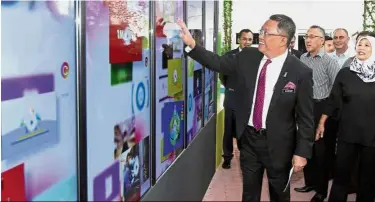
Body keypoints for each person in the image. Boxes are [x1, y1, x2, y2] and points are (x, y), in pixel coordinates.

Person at [178, 14, 314, 201]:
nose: (261, 36)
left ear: (283, 40)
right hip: (249, 139)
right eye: (261, 31)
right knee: (249, 193)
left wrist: (302, 152)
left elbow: (306, 117)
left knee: (279, 194)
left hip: (279, 145)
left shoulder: (300, 72)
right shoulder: (248, 56)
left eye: (266, 32)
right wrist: (192, 45)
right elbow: (218, 62)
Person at [316, 35, 375, 202]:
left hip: (372, 135)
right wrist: (322, 122)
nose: (361, 48)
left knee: (368, 177)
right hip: (347, 133)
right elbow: (333, 99)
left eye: (367, 45)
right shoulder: (345, 73)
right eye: (359, 44)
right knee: (341, 174)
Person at [294, 25, 341, 202]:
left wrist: (325, 117)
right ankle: (310, 182)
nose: (308, 39)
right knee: (305, 146)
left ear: (322, 41)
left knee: (322, 152)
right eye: (307, 36)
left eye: (313, 36)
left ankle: (321, 190)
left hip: (323, 109)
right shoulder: (301, 59)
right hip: (304, 108)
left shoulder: (330, 62)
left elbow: (336, 91)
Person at [219, 28, 253, 169]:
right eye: (244, 39)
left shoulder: (256, 57)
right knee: (228, 130)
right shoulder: (229, 56)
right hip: (232, 99)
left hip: (247, 102)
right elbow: (223, 76)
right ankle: (227, 157)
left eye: (250, 40)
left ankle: (245, 157)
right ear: (239, 39)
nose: (247, 42)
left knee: (245, 131)